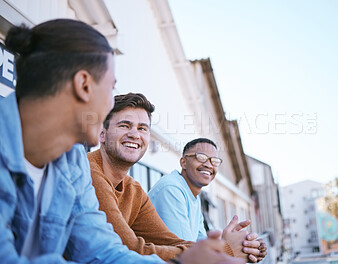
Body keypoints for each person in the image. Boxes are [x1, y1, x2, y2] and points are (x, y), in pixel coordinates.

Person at [0, 19, 245, 264]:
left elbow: (103, 251)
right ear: (84, 85)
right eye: (111, 88)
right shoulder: (86, 167)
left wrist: (191, 260)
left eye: (142, 128)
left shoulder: (72, 164)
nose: (110, 105)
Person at [88, 93, 264, 262]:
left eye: (142, 128)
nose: (135, 134)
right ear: (102, 134)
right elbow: (129, 248)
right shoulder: (90, 172)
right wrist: (226, 250)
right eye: (124, 125)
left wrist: (235, 247)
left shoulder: (134, 190)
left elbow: (171, 242)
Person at [149, 138, 267, 262]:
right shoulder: (171, 189)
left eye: (214, 161)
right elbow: (189, 255)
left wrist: (245, 248)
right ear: (183, 162)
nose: (209, 165)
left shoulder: (194, 197)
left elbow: (201, 249)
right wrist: (230, 248)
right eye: (201, 157)